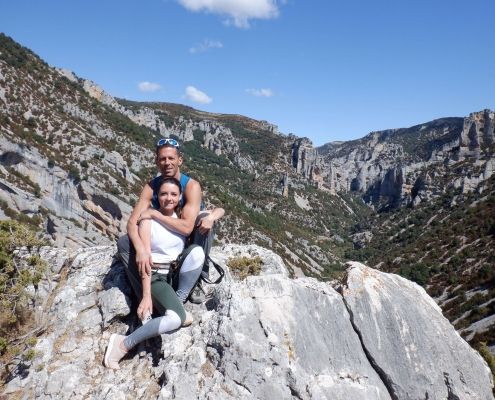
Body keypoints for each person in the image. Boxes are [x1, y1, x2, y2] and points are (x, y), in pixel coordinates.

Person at [104, 177, 195, 369]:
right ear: (157, 197)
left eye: (173, 194)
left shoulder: (181, 222)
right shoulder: (147, 220)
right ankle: (122, 344)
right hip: (155, 276)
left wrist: (214, 215)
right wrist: (146, 296)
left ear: (179, 198)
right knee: (176, 319)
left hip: (172, 277)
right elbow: (145, 261)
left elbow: (214, 211)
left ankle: (175, 302)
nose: (168, 198)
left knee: (197, 253)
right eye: (163, 194)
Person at [117, 138, 221, 303]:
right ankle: (146, 295)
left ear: (179, 160)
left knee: (204, 220)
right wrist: (141, 250)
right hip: (166, 238)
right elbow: (131, 223)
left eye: (171, 158)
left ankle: (198, 277)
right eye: (162, 158)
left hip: (189, 241)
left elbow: (187, 228)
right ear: (156, 161)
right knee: (124, 242)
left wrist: (155, 214)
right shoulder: (151, 186)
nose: (167, 163)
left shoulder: (191, 186)